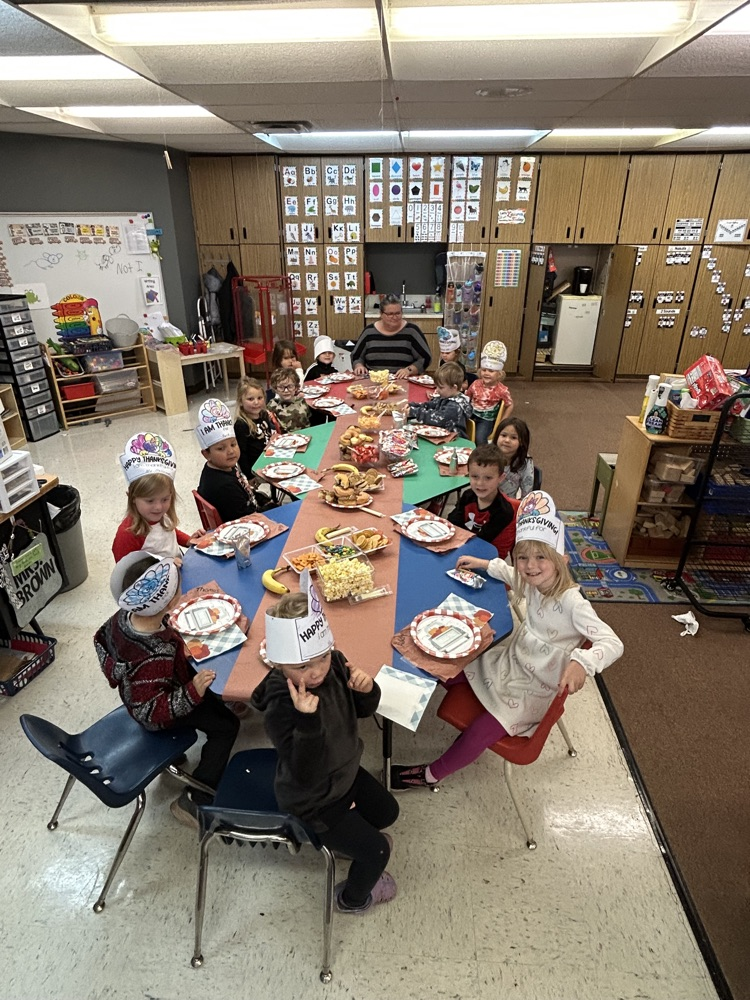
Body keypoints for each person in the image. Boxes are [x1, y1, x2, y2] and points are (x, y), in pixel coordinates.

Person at [390, 490, 623, 790]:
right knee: (444, 666)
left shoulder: (573, 603)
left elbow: (614, 642)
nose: (530, 565)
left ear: (562, 560)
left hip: (534, 689)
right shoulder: (531, 578)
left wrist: (582, 661)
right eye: (523, 556)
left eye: (541, 557)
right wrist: (484, 564)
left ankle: (431, 774)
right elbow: (512, 573)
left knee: (480, 731)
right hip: (509, 663)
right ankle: (399, 708)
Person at [250, 576, 399, 914]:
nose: (316, 672)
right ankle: (352, 899)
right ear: (278, 663)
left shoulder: (333, 663)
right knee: (377, 851)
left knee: (388, 812)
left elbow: (361, 712)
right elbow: (303, 770)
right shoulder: (281, 702)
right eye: (302, 666)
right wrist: (306, 720)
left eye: (322, 658)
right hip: (314, 798)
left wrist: (367, 691)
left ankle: (351, 840)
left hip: (344, 771)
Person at [95, 552, 240, 828]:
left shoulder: (125, 616)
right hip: (159, 713)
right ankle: (194, 800)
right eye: (178, 588)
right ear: (169, 601)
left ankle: (181, 752)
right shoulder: (154, 656)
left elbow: (102, 641)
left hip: (153, 689)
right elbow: (151, 712)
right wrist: (192, 692)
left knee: (215, 698)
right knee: (227, 725)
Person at [112, 432, 205, 562]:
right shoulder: (128, 535)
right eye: (150, 501)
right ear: (132, 497)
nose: (158, 507)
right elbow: (127, 573)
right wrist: (166, 567)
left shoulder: (160, 516)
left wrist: (189, 540)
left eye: (165, 499)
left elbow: (170, 533)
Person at [196, 397, 269, 524]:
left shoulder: (224, 466)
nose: (230, 451)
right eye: (220, 448)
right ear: (206, 454)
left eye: (233, 444)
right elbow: (246, 518)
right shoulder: (224, 486)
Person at [447, 444, 517, 558]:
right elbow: (453, 521)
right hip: (463, 548)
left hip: (486, 559)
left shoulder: (503, 511)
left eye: (488, 478)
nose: (480, 483)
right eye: (475, 476)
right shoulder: (468, 495)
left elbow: (482, 542)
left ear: (501, 478)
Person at [351, 294, 432, 379]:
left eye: (398, 313)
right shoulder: (369, 332)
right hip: (372, 380)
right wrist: (358, 366)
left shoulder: (412, 331)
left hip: (403, 380)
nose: (394, 317)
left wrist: (408, 370)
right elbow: (356, 356)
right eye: (390, 314)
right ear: (381, 314)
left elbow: (425, 358)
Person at [403, 361, 471, 437]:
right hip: (442, 435)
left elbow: (439, 419)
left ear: (454, 387)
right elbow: (430, 405)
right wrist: (412, 405)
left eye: (441, 387)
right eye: (437, 386)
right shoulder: (446, 396)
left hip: (455, 441)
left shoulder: (455, 406)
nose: (437, 390)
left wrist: (415, 412)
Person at [466, 341, 514, 445]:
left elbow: (510, 405)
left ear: (499, 374)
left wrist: (502, 420)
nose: (486, 373)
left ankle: (484, 456)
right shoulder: (475, 383)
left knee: (480, 438)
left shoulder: (501, 389)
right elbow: (467, 397)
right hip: (471, 413)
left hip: (486, 419)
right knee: (459, 429)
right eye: (484, 370)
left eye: (491, 371)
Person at [234, 376, 280, 478]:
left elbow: (267, 436)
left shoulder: (264, 414)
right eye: (250, 399)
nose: (256, 402)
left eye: (260, 398)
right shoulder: (241, 424)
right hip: (256, 468)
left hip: (269, 457)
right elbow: (241, 455)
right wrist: (249, 476)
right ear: (240, 401)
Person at [493, 416, 535, 498]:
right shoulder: (486, 455)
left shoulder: (524, 462)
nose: (507, 440)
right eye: (503, 435)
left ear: (522, 442)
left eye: (513, 437)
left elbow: (526, 495)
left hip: (508, 506)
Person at [267, 367, 312, 432]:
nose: (286, 391)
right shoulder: (272, 405)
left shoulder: (302, 401)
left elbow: (310, 420)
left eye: (290, 386)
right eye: (281, 387)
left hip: (306, 436)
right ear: (275, 389)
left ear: (296, 387)